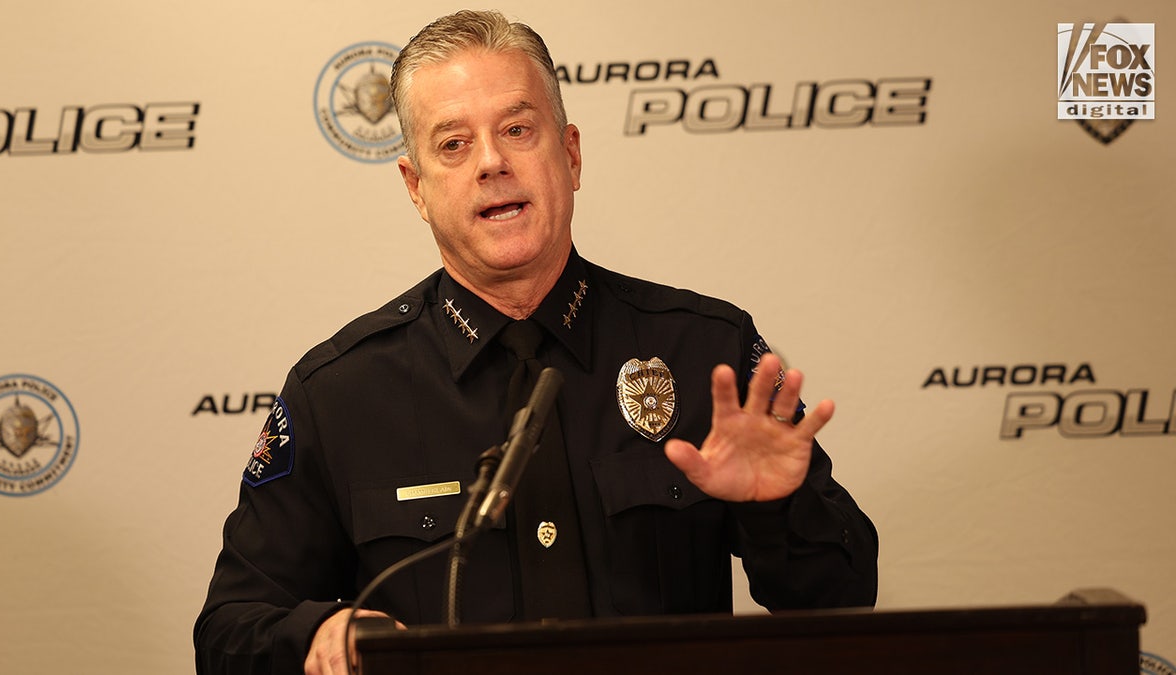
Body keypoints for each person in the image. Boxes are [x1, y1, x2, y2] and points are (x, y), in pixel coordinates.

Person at [194, 9, 877, 675]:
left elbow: (844, 603)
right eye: (453, 144)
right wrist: (318, 631)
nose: (491, 161)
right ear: (416, 188)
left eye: (518, 129)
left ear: (571, 154)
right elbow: (227, 633)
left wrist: (777, 507)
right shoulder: (339, 393)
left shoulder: (705, 351)